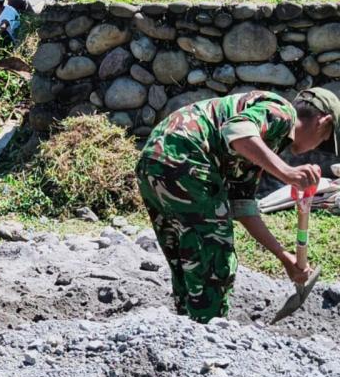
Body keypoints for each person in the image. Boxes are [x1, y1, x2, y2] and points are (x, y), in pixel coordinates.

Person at [135, 89, 340, 324]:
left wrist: (284, 257)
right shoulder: (282, 113)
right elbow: (237, 130)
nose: (317, 148)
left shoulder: (261, 148)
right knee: (215, 255)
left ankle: (188, 329)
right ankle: (210, 334)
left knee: (187, 254)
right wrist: (287, 172)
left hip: (155, 160)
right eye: (324, 140)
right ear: (323, 123)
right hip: (187, 156)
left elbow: (243, 207)